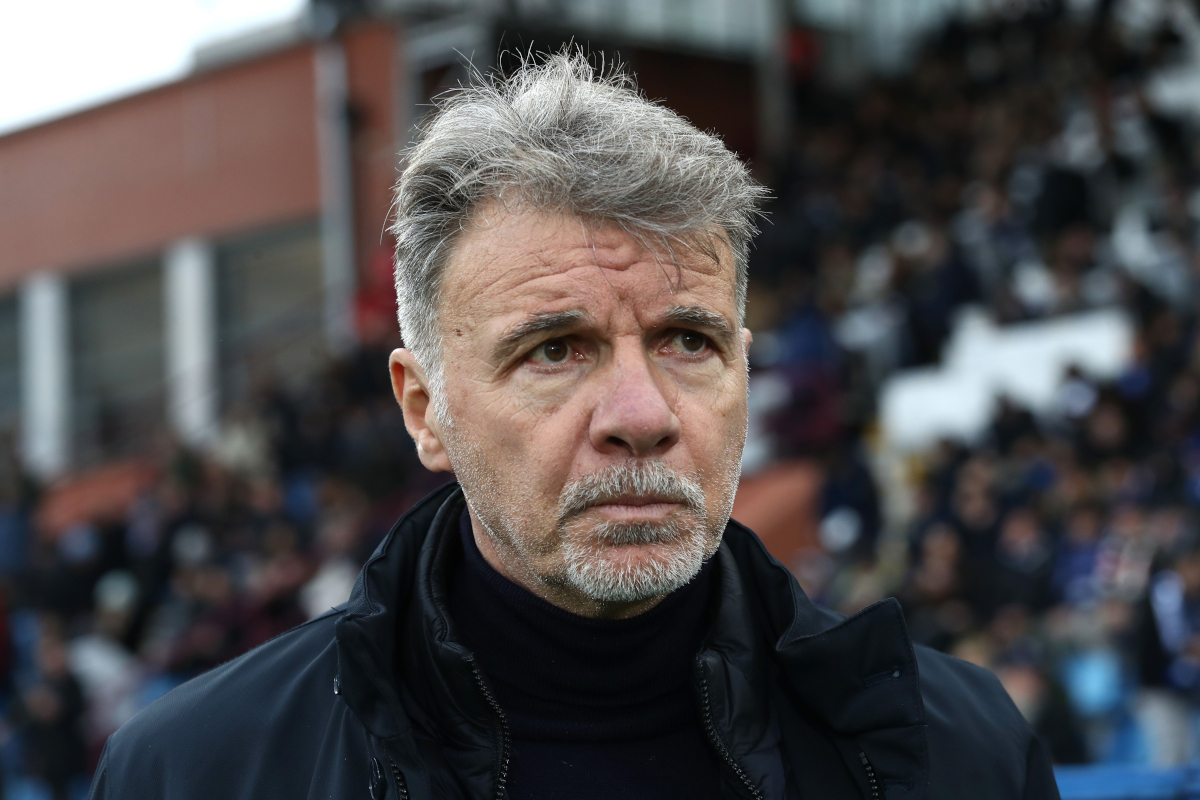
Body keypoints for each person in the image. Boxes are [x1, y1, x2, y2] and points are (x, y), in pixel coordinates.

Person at [89, 52, 1059, 800]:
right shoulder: (198, 769)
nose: (641, 416)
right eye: (555, 349)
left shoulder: (962, 747)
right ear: (425, 409)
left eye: (688, 340)